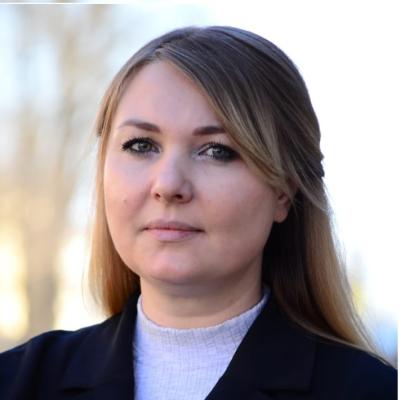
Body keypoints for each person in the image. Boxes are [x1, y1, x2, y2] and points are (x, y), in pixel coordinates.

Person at [0, 26, 397, 400]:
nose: (168, 184)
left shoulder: (370, 391)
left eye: (217, 150)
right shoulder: (17, 381)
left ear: (283, 192)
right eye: (141, 145)